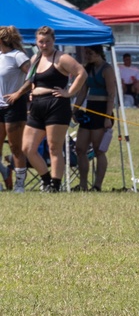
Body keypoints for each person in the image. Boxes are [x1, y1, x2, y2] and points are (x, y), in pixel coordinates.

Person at [14, 26, 87, 192]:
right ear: (36, 42)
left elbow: (81, 73)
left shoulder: (62, 58)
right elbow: (32, 78)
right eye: (41, 42)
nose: (44, 45)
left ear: (53, 41)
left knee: (54, 147)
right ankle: (46, 179)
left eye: (47, 41)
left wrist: (69, 92)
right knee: (27, 148)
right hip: (37, 105)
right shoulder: (35, 59)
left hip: (56, 105)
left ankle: (55, 184)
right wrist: (32, 90)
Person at [73, 46, 117, 192]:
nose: (87, 56)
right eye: (86, 53)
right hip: (89, 110)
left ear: (98, 54)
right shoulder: (87, 69)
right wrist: (75, 109)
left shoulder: (107, 69)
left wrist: (107, 116)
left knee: (99, 150)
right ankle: (83, 184)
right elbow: (82, 92)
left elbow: (111, 94)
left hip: (103, 110)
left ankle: (97, 185)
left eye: (90, 53)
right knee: (80, 148)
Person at [0, 26, 31, 193]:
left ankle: (20, 185)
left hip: (14, 107)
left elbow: (33, 76)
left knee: (15, 147)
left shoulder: (18, 56)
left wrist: (19, 93)